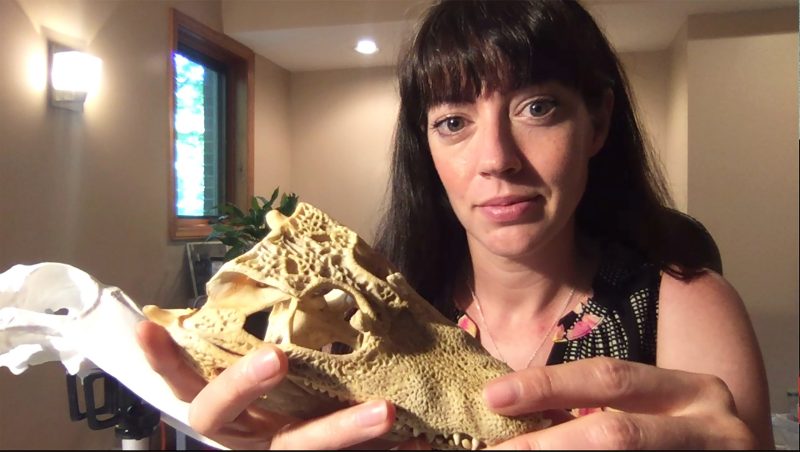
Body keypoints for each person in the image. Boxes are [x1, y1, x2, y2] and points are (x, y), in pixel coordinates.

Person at [137, 0, 773, 449]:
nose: (495, 158)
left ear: (597, 123)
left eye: (538, 107)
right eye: (453, 122)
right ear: (428, 146)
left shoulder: (685, 307)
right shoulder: (356, 316)